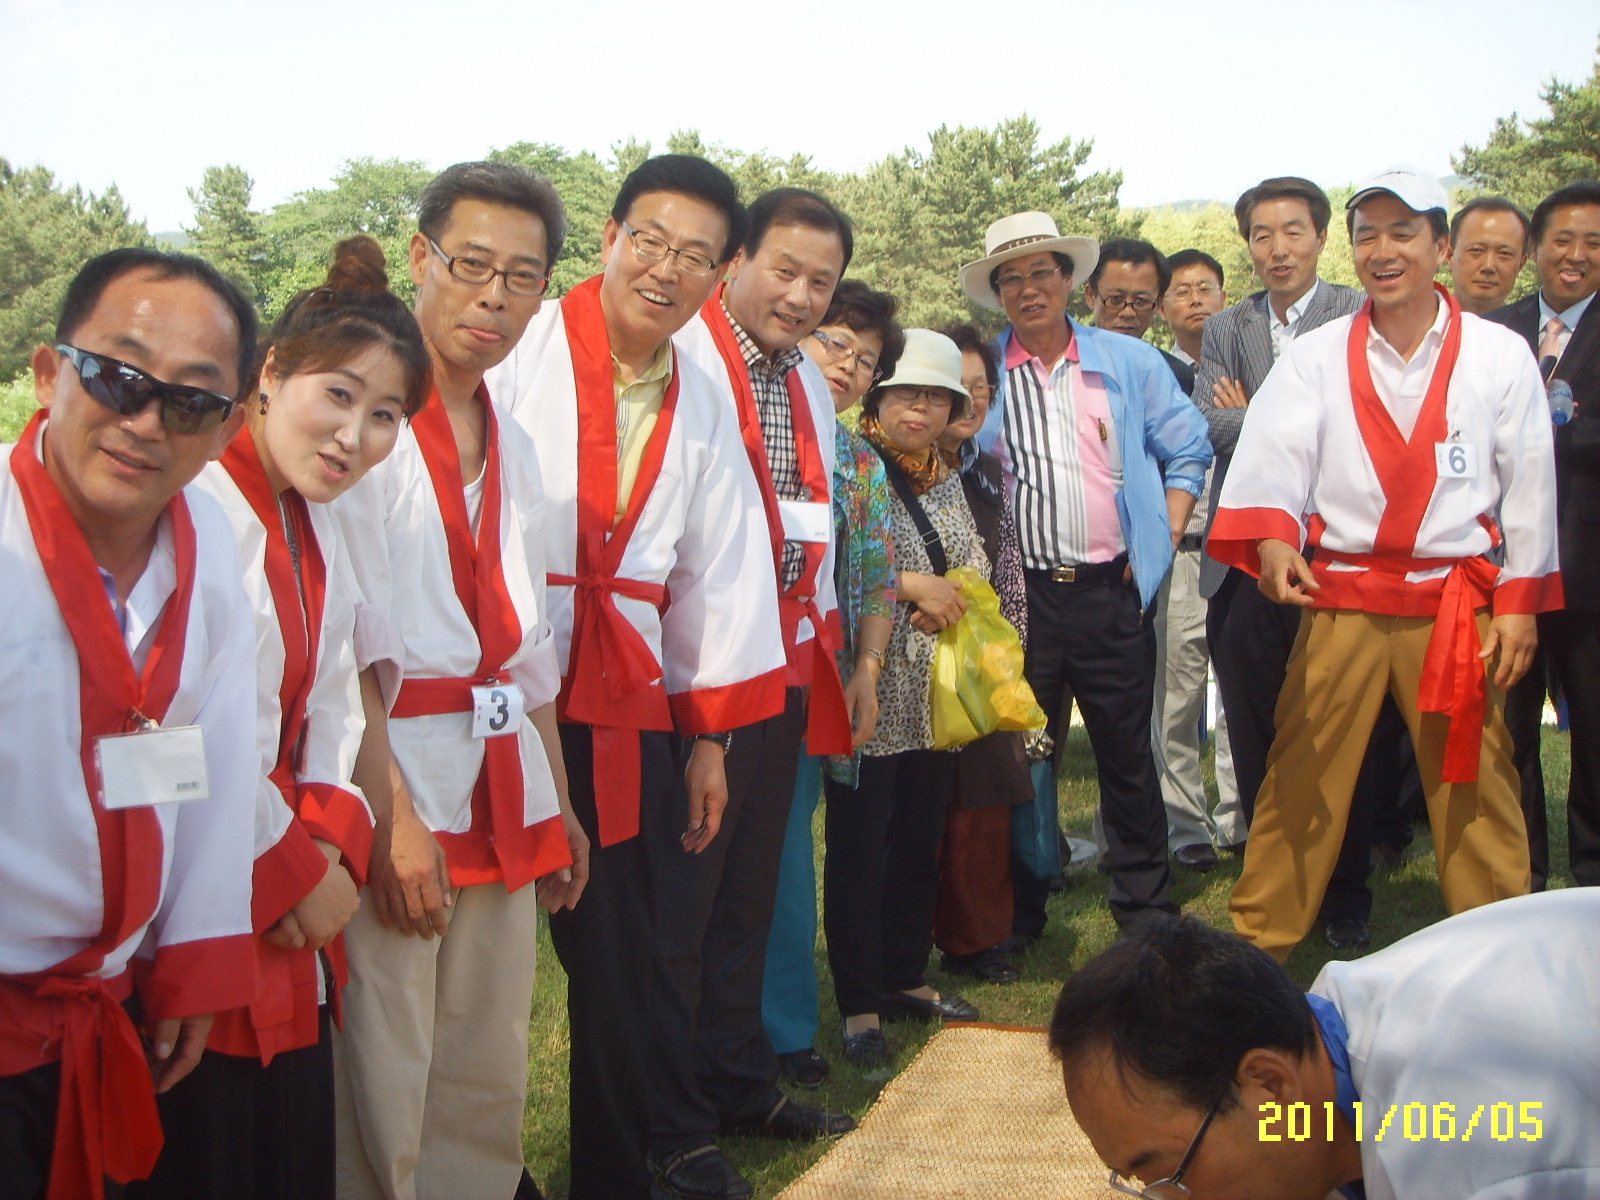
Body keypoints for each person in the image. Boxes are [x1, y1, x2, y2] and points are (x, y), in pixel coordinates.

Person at [485, 155, 789, 1200]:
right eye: (650, 241)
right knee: (475, 957)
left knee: (621, 959)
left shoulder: (702, 390)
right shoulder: (513, 345)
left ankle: (615, 1171)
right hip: (496, 689)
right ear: (610, 236)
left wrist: (708, 734)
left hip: (622, 696)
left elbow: (721, 563)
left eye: (697, 255)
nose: (667, 269)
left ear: (722, 272)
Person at [128, 238, 430, 1200]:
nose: (356, 437)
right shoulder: (198, 511)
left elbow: (336, 702)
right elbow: (183, 736)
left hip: (293, 888)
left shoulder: (319, 517)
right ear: (271, 373)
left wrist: (335, 845)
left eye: (385, 416)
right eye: (338, 396)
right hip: (198, 893)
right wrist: (296, 867)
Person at [1211, 166, 1560, 962]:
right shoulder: (1318, 355)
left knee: (1473, 775)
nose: (1384, 250)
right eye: (1368, 234)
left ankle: (1502, 949)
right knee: (1304, 770)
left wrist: (1519, 603)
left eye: (1404, 233)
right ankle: (1258, 946)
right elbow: (1274, 457)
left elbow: (1530, 484)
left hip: (1454, 601)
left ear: (1440, 246)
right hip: (1345, 597)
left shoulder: (1499, 356)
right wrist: (1271, 541)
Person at [330, 163, 588, 1200]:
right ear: (419, 259)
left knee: (485, 1054)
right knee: (387, 1053)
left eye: (522, 277)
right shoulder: (361, 431)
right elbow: (335, 649)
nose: (494, 296)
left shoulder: (516, 442)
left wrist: (561, 800)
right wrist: (389, 818)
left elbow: (532, 649)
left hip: (502, 771)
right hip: (395, 775)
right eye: (472, 265)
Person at [0, 248, 259, 1200]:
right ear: (46, 372)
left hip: (108, 1009)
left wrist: (190, 960)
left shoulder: (216, 562)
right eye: (116, 377)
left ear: (229, 428)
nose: (145, 422)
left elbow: (220, 770)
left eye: (190, 402)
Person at [666, 189, 859, 1200]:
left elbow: (815, 522)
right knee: (685, 905)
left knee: (748, 894)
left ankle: (740, 1083)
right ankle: (673, 1122)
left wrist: (827, 650)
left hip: (784, 665)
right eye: (782, 269)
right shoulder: (684, 357)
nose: (798, 294)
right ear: (736, 259)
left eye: (818, 281)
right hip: (694, 676)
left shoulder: (809, 382)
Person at [960, 211, 1211, 935]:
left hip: (1109, 591)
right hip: (1023, 598)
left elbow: (1188, 447)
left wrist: (1159, 535)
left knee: (1127, 754)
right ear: (998, 292)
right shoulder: (987, 372)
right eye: (1012, 278)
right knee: (1020, 757)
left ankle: (1145, 904)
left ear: (1072, 281)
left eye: (1043, 272)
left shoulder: (1129, 363)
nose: (1029, 289)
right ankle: (1025, 903)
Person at [1048, 896, 1600, 1200]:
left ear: (1271, 1083)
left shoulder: (1468, 1145)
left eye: (1171, 1175)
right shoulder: (1319, 1045)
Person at [1192, 177, 1385, 951]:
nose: (1278, 248)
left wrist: (1258, 408)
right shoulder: (1224, 327)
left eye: (1293, 232)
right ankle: (1277, 883)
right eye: (1262, 235)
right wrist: (1287, 415)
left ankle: (1346, 890)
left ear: (1321, 237)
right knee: (1255, 727)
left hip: (1337, 559)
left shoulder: (1358, 314)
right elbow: (1211, 425)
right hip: (1242, 562)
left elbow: (1360, 427)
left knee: (1347, 730)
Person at [824, 329, 985, 1067]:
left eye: (935, 397)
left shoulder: (949, 475)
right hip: (868, 688)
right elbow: (843, 566)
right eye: (905, 393)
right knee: (861, 849)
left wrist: (946, 592)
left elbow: (972, 560)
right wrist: (913, 586)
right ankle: (859, 1005)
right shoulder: (850, 465)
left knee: (919, 841)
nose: (919, 408)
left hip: (935, 697)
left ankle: (904, 977)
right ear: (879, 397)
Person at [762, 280, 903, 1090]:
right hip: (723, 672)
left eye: (866, 359)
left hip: (815, 678)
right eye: (836, 344)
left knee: (785, 856)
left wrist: (867, 671)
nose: (848, 367)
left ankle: (781, 1027)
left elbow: (878, 575)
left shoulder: (858, 461)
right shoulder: (744, 426)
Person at [1488, 179, 1600, 891]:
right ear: (1536, 248)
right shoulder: (1494, 331)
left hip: (1591, 570)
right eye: (1564, 239)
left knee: (1593, 736)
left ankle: (1591, 879)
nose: (1577, 255)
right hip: (1507, 574)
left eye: (1594, 244)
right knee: (1508, 738)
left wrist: (1564, 422)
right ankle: (1518, 880)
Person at [930, 323, 1031, 986]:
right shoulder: (885, 468)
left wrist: (1011, 652)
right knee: (925, 810)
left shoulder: (990, 473)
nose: (969, 405)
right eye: (955, 389)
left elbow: (1012, 568)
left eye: (982, 391)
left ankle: (981, 938)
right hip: (913, 656)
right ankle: (915, 935)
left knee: (986, 803)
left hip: (985, 656)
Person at [1153, 249, 1244, 865]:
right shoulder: (1153, 373)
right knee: (1177, 695)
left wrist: (1244, 410)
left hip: (1239, 552)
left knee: (1240, 691)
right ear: (1163, 308)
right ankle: (1185, 828)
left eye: (1206, 288)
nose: (1195, 300)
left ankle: (1240, 819)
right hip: (1181, 553)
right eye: (1181, 291)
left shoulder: (1249, 368)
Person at [1449, 196, 1532, 316]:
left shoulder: (1528, 333)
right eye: (1476, 250)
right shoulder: (1419, 328)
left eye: (1504, 253)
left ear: (1521, 263)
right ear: (1449, 255)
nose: (1488, 266)